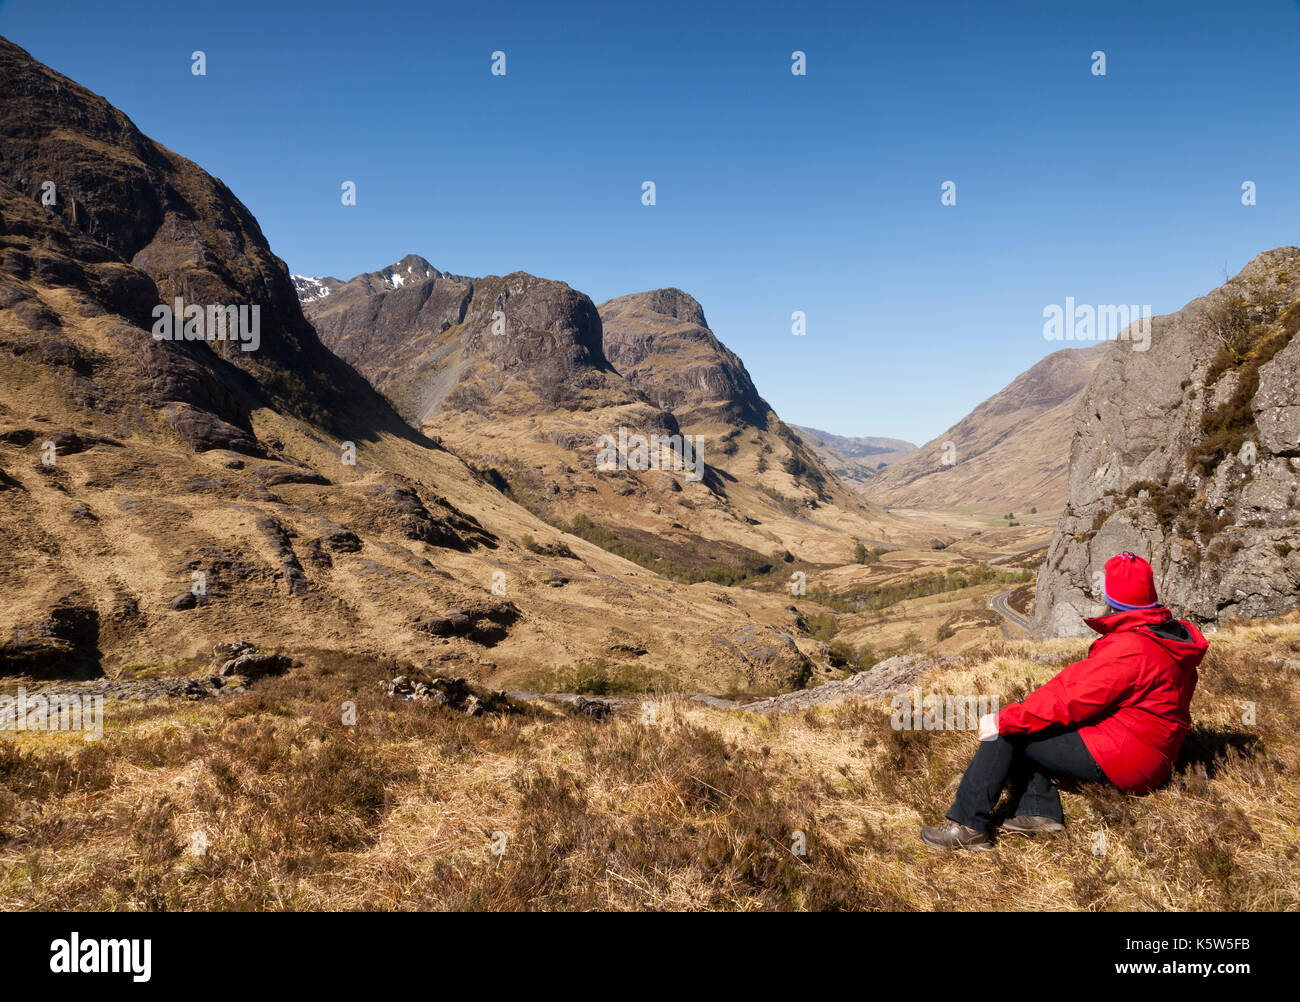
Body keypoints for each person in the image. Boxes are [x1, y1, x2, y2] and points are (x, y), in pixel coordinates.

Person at [921, 552, 1207, 851]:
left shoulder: (1131, 648)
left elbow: (1072, 697)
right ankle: (1038, 813)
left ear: (1111, 595)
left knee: (1010, 729)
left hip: (1127, 759)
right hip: (1152, 755)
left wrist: (1001, 720)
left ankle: (967, 826)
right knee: (1030, 720)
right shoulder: (1164, 636)